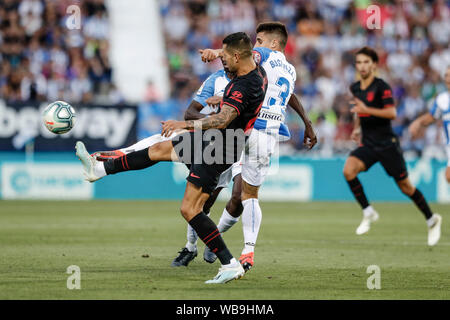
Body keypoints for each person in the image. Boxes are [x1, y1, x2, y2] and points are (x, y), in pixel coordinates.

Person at [76, 32, 268, 283]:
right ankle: (99, 170)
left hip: (220, 147)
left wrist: (183, 124)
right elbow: (236, 55)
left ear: (237, 56)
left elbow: (221, 120)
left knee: (190, 209)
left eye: (226, 57)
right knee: (159, 149)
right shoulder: (256, 67)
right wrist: (216, 52)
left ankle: (229, 263)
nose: (223, 63)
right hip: (215, 141)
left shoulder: (244, 86)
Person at [197, 22, 317, 270]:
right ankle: (248, 250)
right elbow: (287, 95)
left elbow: (241, 55)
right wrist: (307, 123)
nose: (256, 45)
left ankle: (202, 238)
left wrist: (215, 52)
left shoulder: (265, 54)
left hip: (245, 126)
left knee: (211, 181)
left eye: (259, 40)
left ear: (273, 43)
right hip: (268, 134)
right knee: (249, 196)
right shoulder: (291, 71)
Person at [343, 46, 441, 246]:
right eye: (359, 62)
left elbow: (391, 113)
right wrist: (356, 128)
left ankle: (432, 219)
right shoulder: (355, 88)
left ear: (374, 65)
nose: (362, 66)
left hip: (387, 144)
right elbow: (358, 112)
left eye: (366, 62)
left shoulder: (382, 87)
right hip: (369, 143)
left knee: (405, 187)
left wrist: (366, 110)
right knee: (349, 170)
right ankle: (368, 212)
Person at [409, 65, 450, 183]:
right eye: (446, 76)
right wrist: (418, 122)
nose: (448, 79)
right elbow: (432, 117)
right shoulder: (442, 99)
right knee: (448, 177)